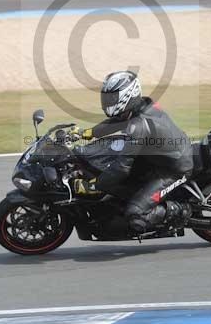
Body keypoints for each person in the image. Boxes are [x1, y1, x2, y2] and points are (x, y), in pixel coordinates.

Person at [73, 71, 193, 234]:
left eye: (113, 98)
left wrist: (94, 185)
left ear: (127, 95)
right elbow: (117, 122)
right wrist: (89, 132)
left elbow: (122, 167)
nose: (108, 101)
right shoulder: (139, 107)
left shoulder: (140, 125)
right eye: (107, 97)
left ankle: (180, 211)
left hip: (174, 169)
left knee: (135, 212)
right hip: (158, 158)